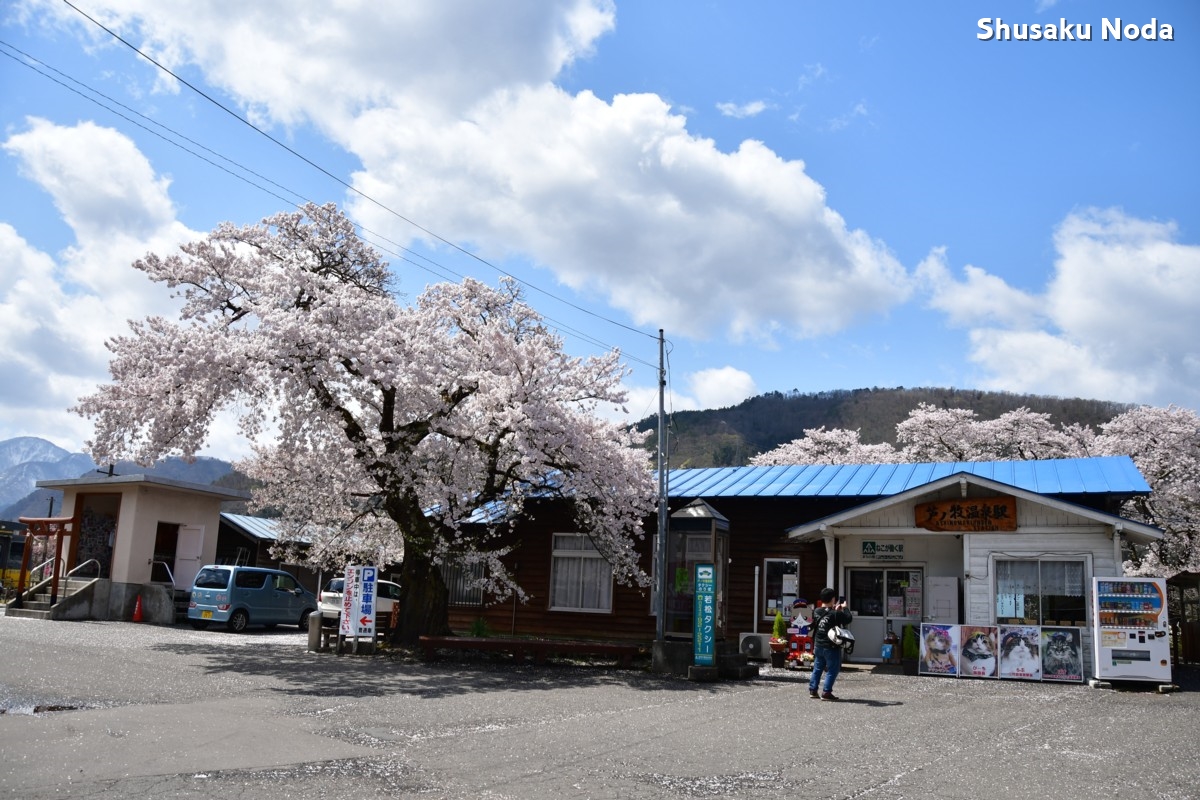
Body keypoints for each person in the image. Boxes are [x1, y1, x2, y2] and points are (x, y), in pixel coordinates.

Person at [808, 587, 852, 701]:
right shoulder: (836, 614)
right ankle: (826, 692)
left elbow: (824, 616)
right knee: (833, 669)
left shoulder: (817, 611)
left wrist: (835, 610)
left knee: (817, 668)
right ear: (833, 599)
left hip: (818, 645)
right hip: (831, 646)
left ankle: (813, 690)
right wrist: (845, 608)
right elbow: (848, 619)